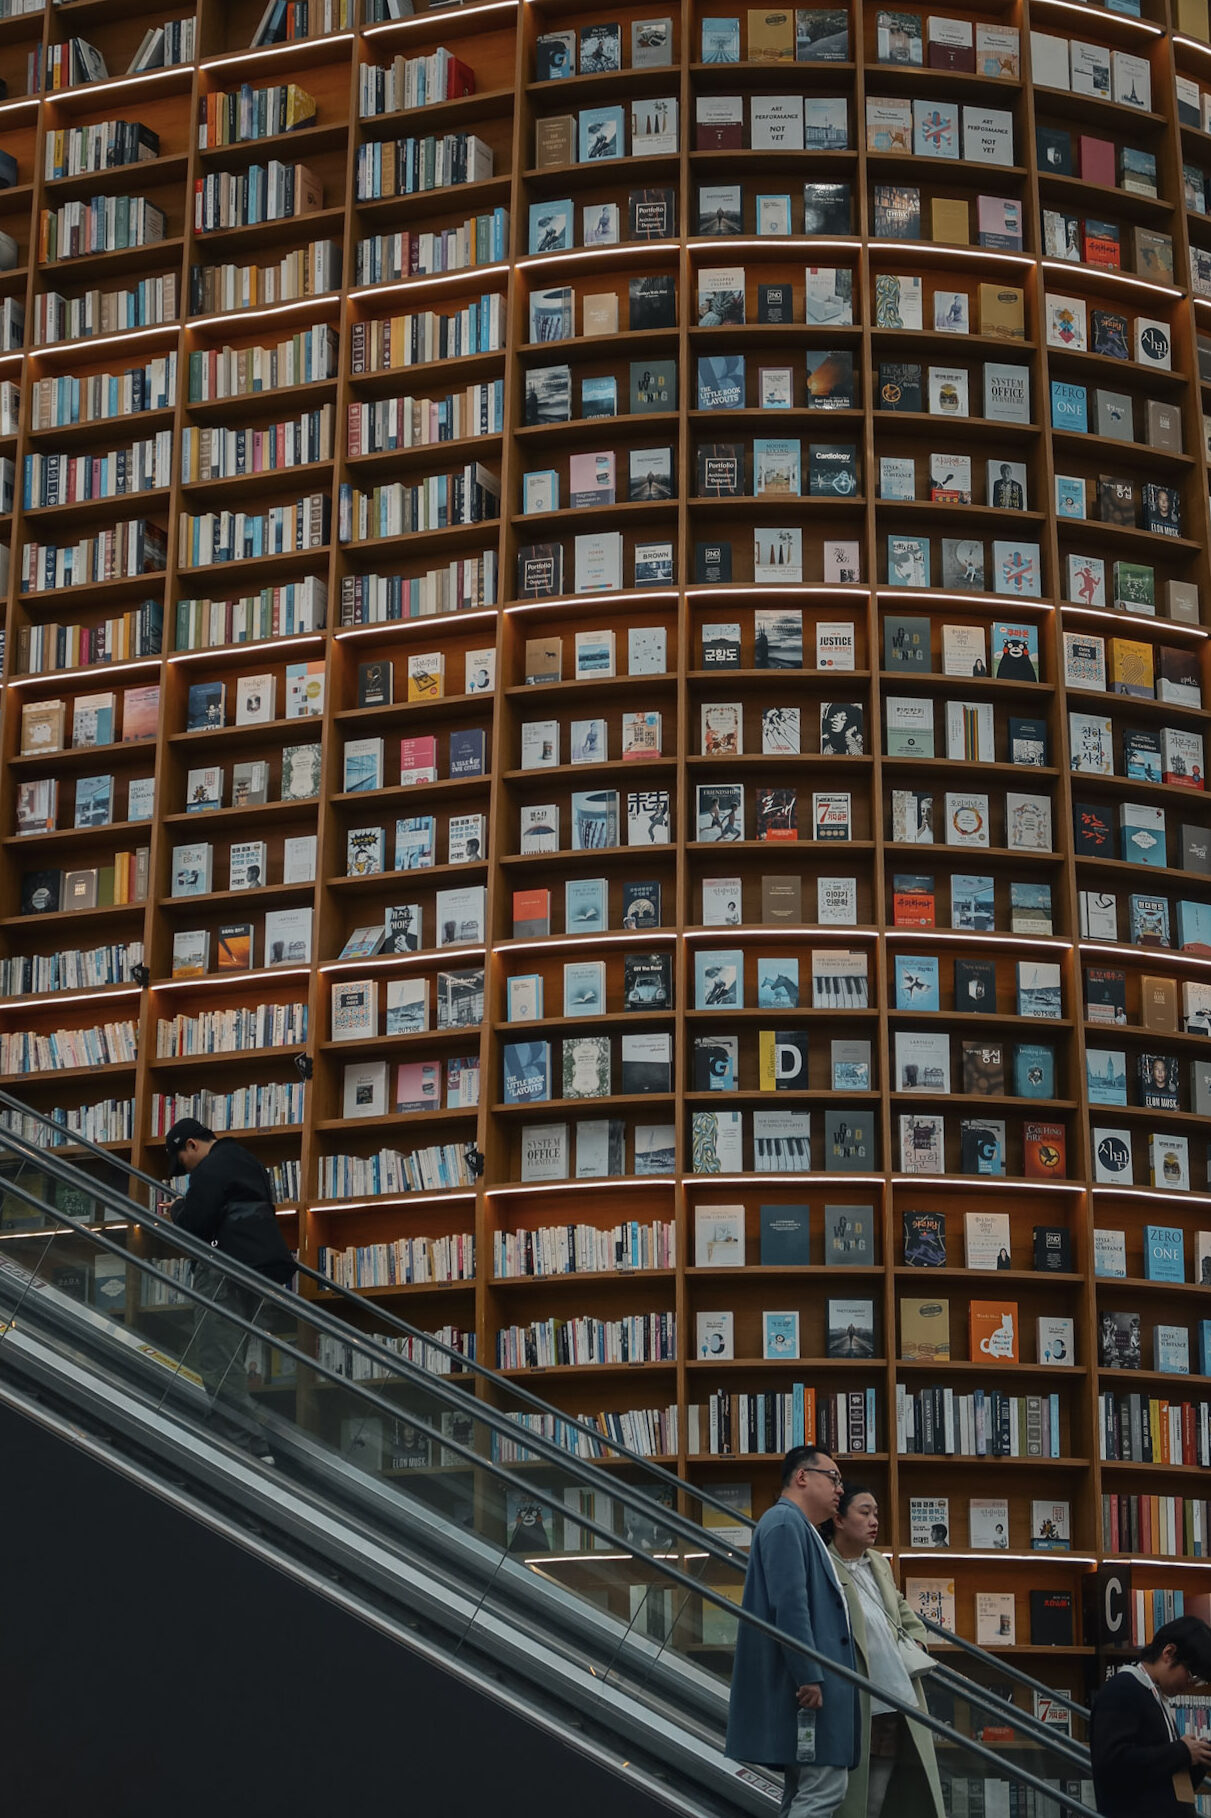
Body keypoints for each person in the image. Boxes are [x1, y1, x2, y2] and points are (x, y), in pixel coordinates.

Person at [726, 1448, 859, 1817]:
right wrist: (809, 1674)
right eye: (833, 1478)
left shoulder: (798, 1527)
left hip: (807, 1684)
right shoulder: (786, 1524)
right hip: (808, 1686)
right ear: (802, 1477)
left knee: (805, 1790)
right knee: (824, 1790)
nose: (840, 1490)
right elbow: (789, 1606)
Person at [164, 1118, 295, 1465]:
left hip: (222, 1270)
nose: (184, 1168)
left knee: (217, 1360)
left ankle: (247, 1446)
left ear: (192, 1144)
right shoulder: (246, 1159)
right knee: (231, 1360)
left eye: (181, 1159)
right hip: (257, 1270)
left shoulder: (209, 1168)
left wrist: (178, 1209)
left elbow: (197, 1224)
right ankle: (243, 1438)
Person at [823, 1486, 945, 1818]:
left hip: (895, 1695)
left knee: (876, 1798)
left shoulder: (878, 1562)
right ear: (839, 1519)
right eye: (864, 1512)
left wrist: (918, 1640)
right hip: (852, 1699)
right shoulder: (823, 1565)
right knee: (846, 1798)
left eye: (875, 1513)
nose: (874, 1521)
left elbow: (901, 1609)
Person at [1090, 1616, 1211, 1816]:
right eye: (1191, 1675)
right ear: (1169, 1653)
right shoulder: (1123, 1690)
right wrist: (1181, 1752)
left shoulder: (1156, 1696)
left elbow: (1163, 1779)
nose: (1189, 1684)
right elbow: (1113, 1764)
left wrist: (1198, 1760)